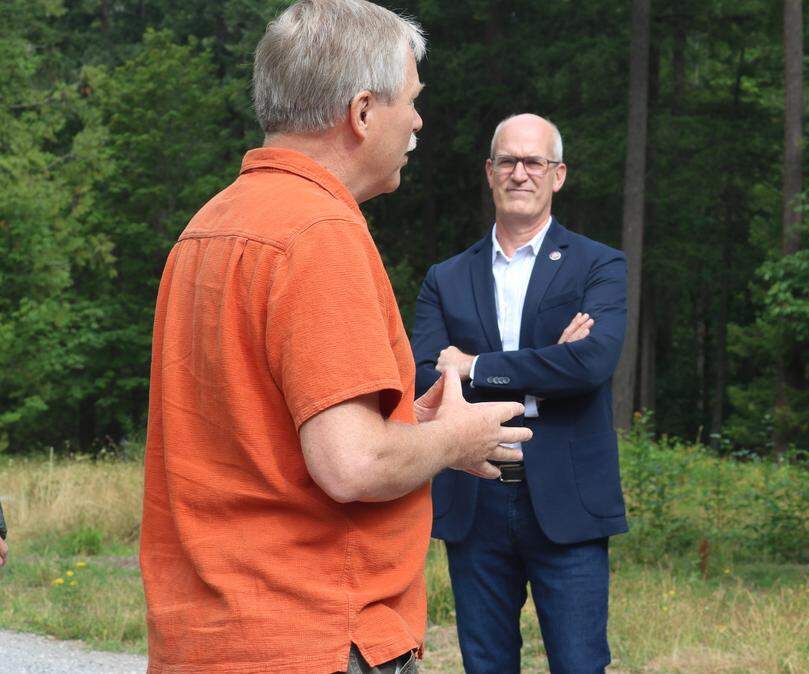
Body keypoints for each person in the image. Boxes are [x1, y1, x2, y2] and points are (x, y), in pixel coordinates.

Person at [140, 2, 530, 672]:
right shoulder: (319, 234)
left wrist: (412, 423)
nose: (418, 122)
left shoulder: (210, 225)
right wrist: (456, 438)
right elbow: (353, 465)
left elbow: (257, 431)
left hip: (206, 641)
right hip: (316, 636)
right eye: (410, 101)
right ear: (361, 112)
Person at [412, 113, 628, 673]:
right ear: (489, 172)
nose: (520, 173)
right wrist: (548, 359)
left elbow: (590, 363)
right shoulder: (446, 277)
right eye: (507, 160)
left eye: (534, 161)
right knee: (485, 665)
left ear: (558, 175)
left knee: (581, 664)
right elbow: (425, 380)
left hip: (568, 499)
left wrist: (475, 366)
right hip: (474, 495)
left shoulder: (598, 264)